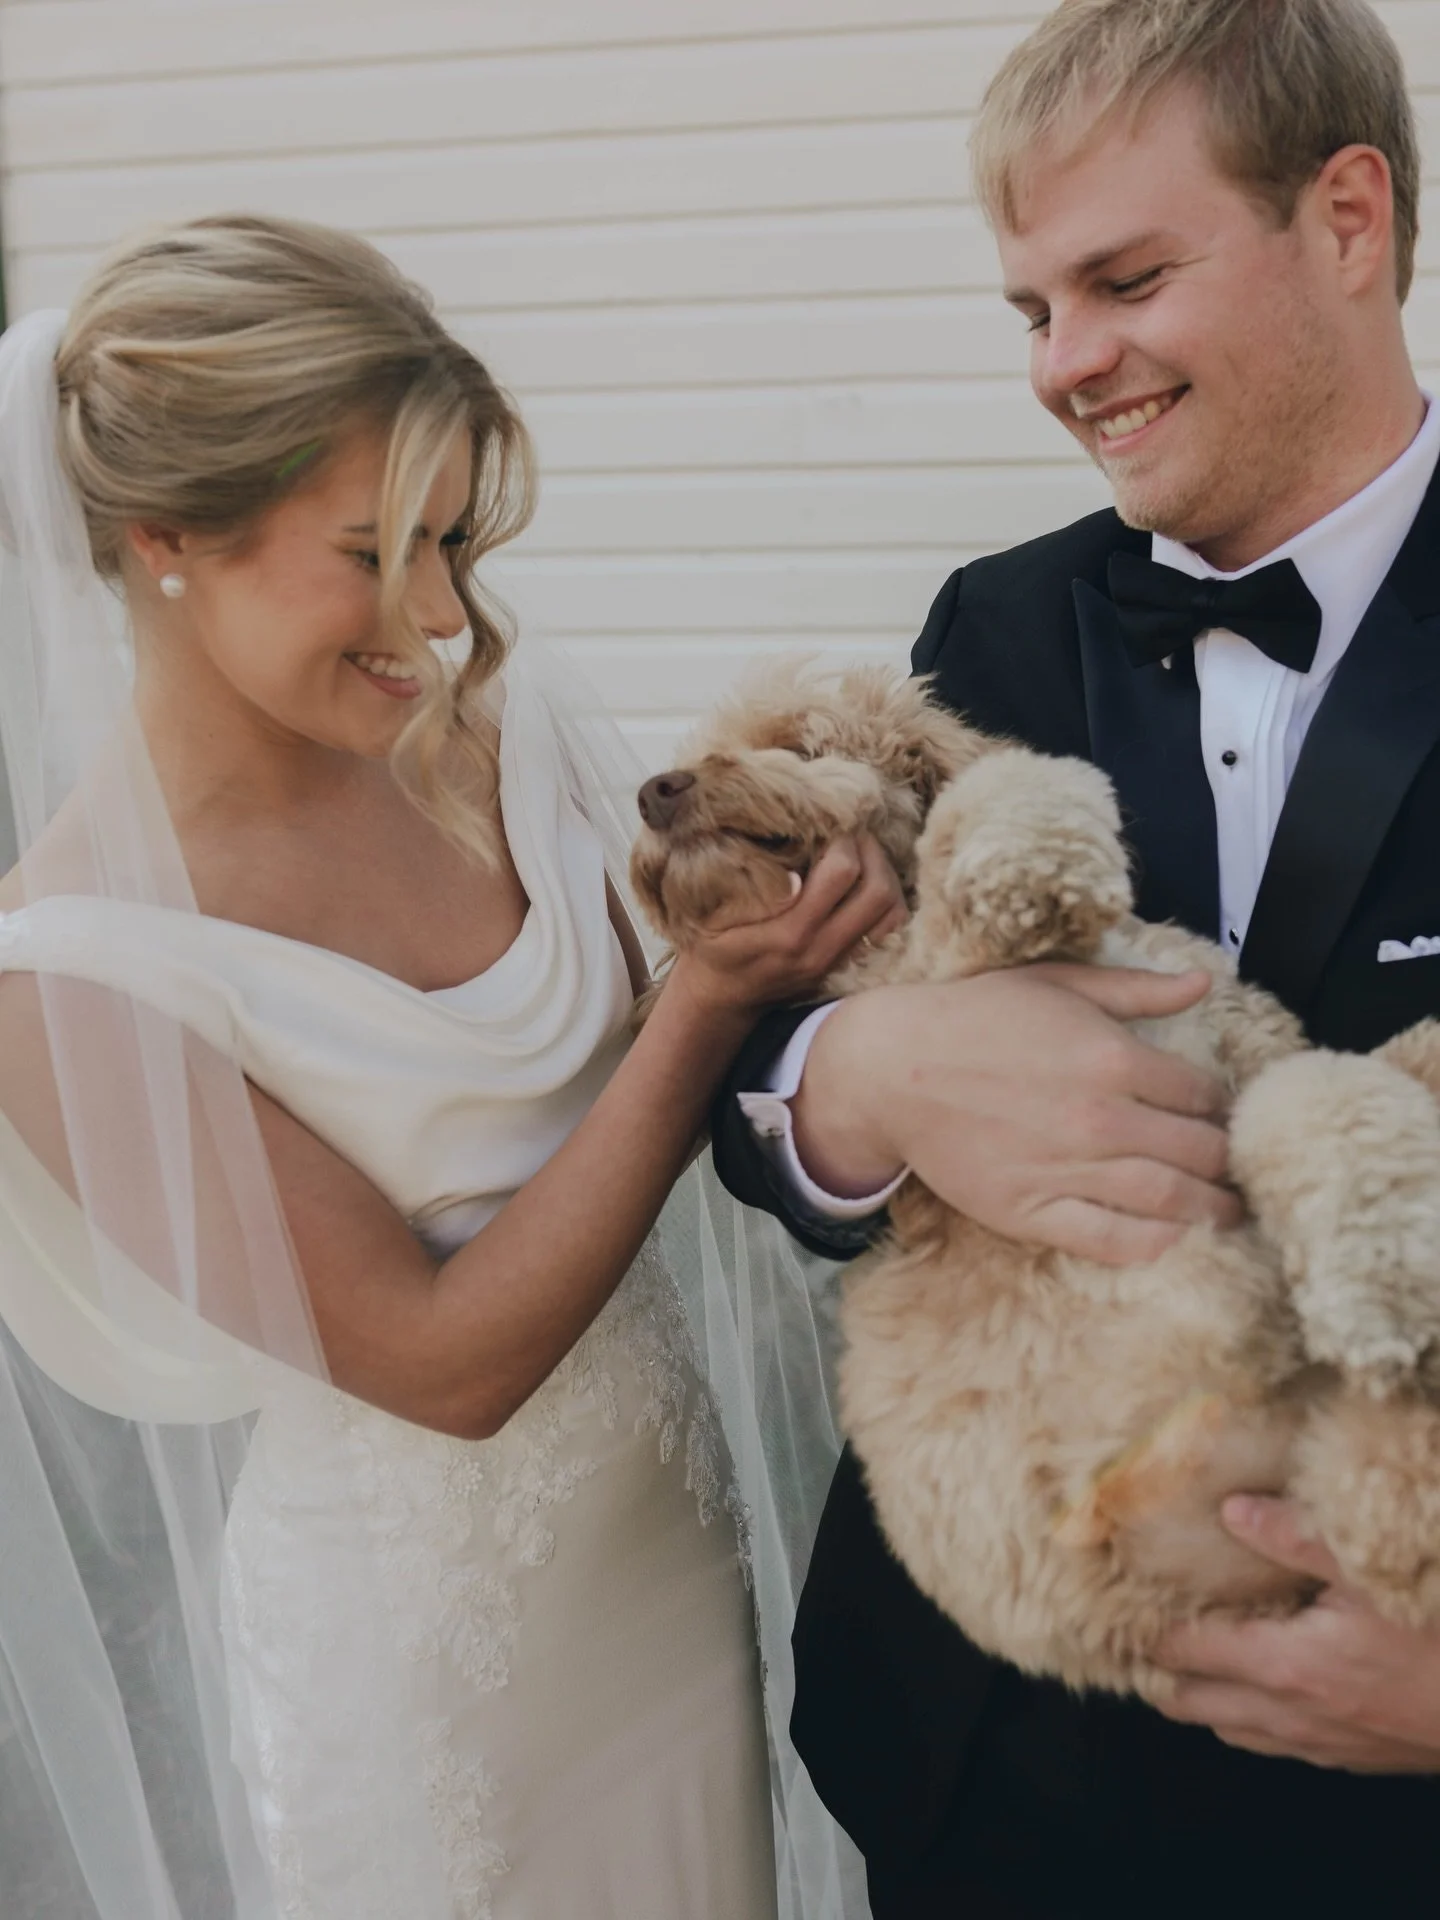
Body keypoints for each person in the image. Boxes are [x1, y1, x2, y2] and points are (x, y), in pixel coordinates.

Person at [0, 217, 902, 1918]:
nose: (438, 616)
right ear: (165, 536)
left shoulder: (508, 724)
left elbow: (750, 1057)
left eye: (455, 538)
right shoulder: (70, 970)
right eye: (372, 550)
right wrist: (704, 1006)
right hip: (427, 1683)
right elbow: (439, 1361)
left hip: (675, 1577)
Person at [710, 1, 1440, 1914]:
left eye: (1124, 281)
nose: (1068, 366)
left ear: (1348, 219)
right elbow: (771, 1041)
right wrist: (856, 1089)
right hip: (980, 1765)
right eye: (1032, 308)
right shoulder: (996, 619)